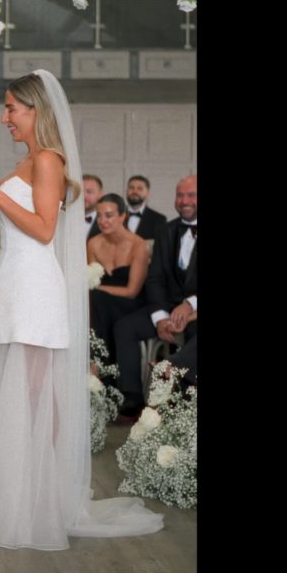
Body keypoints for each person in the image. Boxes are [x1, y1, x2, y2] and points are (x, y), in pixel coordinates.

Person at [0, 69, 163, 550]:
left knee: (37, 395)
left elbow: (44, 230)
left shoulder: (49, 159)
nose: (5, 117)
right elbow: (14, 228)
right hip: (14, 281)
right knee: (13, 391)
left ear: (36, 111)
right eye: (5, 108)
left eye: (12, 108)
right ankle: (15, 495)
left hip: (35, 286)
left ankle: (44, 501)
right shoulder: (26, 161)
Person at [113, 175, 197, 416]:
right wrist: (160, 317)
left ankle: (175, 382)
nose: (184, 201)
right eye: (180, 195)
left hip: (194, 311)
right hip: (166, 306)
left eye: (191, 195)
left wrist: (189, 305)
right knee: (125, 327)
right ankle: (132, 399)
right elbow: (155, 278)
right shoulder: (165, 230)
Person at [87, 193, 149, 360]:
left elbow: (132, 291)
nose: (102, 221)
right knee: (92, 302)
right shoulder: (93, 244)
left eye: (108, 215)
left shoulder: (138, 245)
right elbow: (91, 278)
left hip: (131, 303)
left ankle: (99, 363)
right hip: (101, 303)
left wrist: (98, 289)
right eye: (99, 215)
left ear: (123, 216)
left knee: (95, 299)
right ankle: (94, 363)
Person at [124, 175, 167, 241]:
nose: (134, 191)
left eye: (140, 189)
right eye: (131, 188)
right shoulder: (115, 216)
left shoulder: (159, 220)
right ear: (127, 191)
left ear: (147, 193)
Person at [81, 174, 103, 240]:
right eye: (80, 192)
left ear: (101, 195)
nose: (84, 196)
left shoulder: (108, 222)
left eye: (89, 192)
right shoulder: (63, 219)